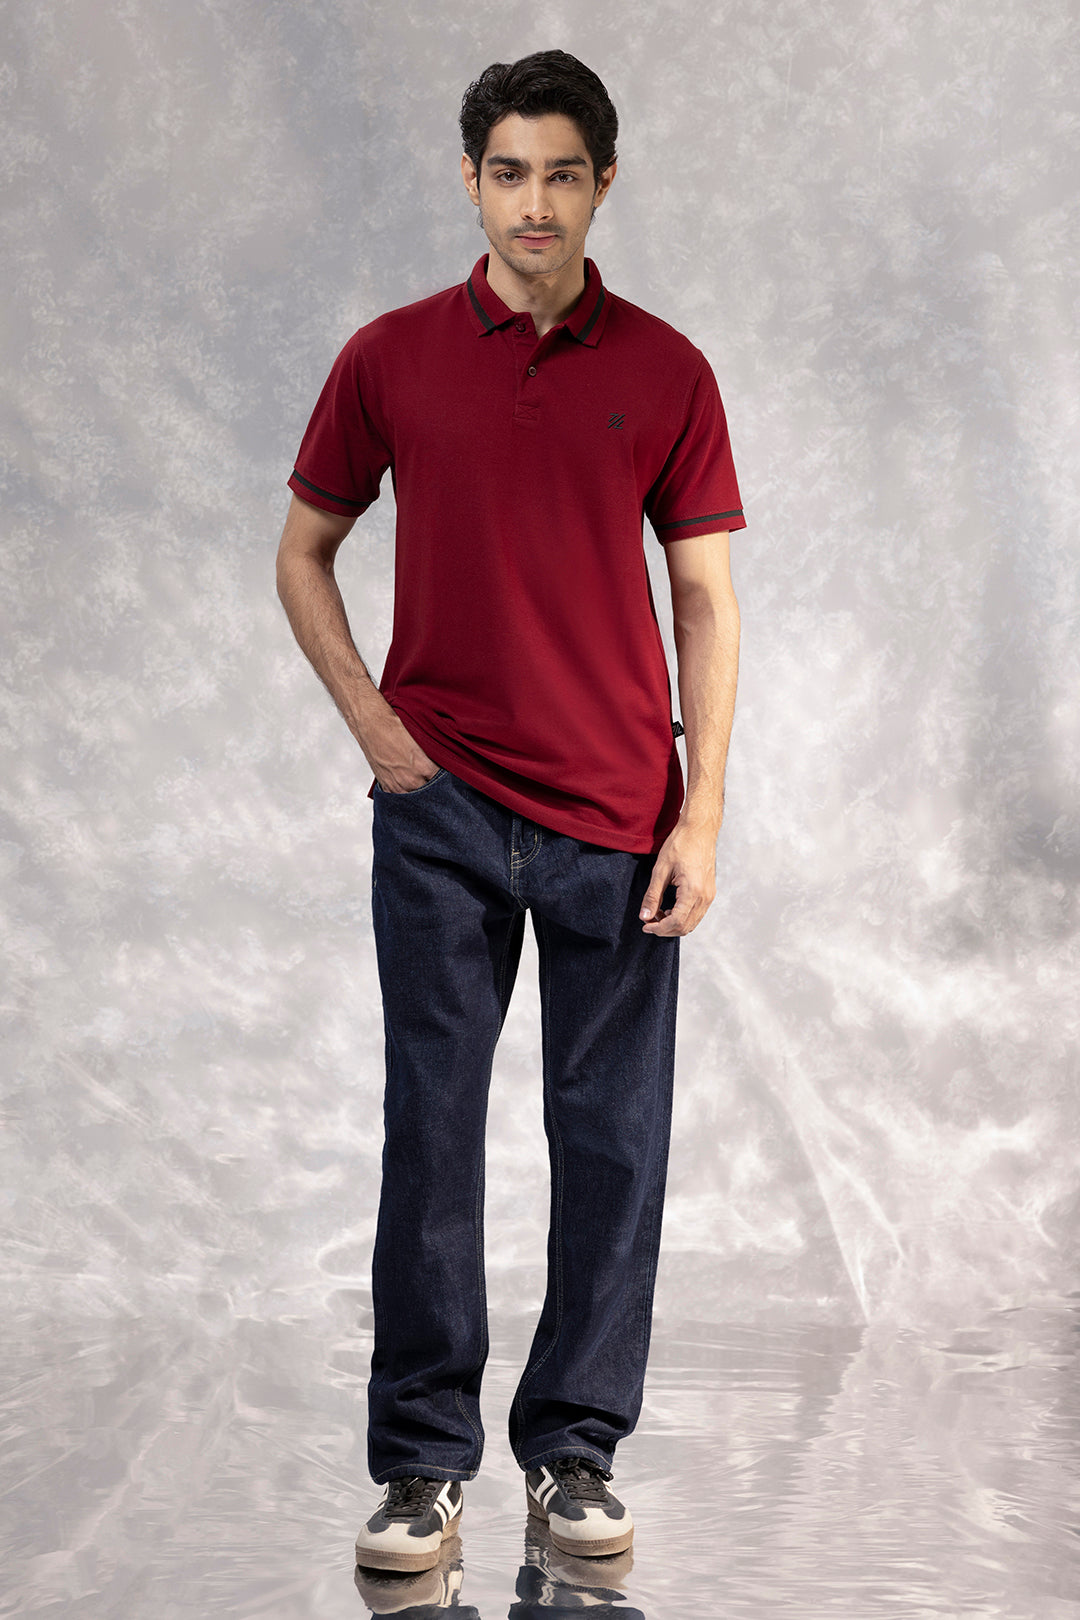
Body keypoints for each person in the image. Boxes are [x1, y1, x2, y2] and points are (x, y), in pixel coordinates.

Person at [276, 48, 744, 1575]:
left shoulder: (667, 370)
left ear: (603, 183)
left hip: (618, 812)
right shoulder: (390, 358)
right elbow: (302, 551)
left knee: (611, 1144)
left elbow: (703, 600)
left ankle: (576, 1452)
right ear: (470, 181)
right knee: (432, 1134)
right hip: (445, 811)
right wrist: (374, 724)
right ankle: (421, 1468)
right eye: (507, 172)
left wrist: (702, 813)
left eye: (561, 173)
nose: (533, 203)